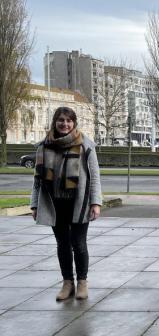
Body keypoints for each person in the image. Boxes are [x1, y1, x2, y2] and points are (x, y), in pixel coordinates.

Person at [30, 107, 102, 301]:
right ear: (55, 122)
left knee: (78, 244)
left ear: (74, 123)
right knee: (62, 244)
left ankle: (82, 283)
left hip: (79, 203)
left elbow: (94, 176)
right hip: (55, 203)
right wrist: (35, 205)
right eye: (61, 120)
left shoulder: (85, 145)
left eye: (69, 121)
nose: (65, 124)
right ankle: (67, 283)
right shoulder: (44, 146)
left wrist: (96, 202)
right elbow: (37, 179)